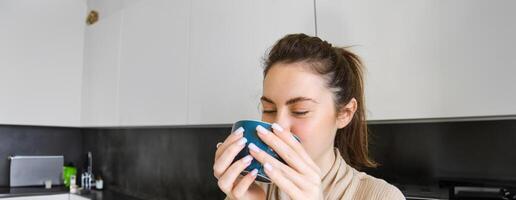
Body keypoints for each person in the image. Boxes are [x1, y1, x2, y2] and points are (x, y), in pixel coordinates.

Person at [213, 33, 405, 200]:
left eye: (300, 111)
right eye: (269, 110)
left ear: (345, 113)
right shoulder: (249, 188)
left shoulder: (382, 196)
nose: (278, 126)